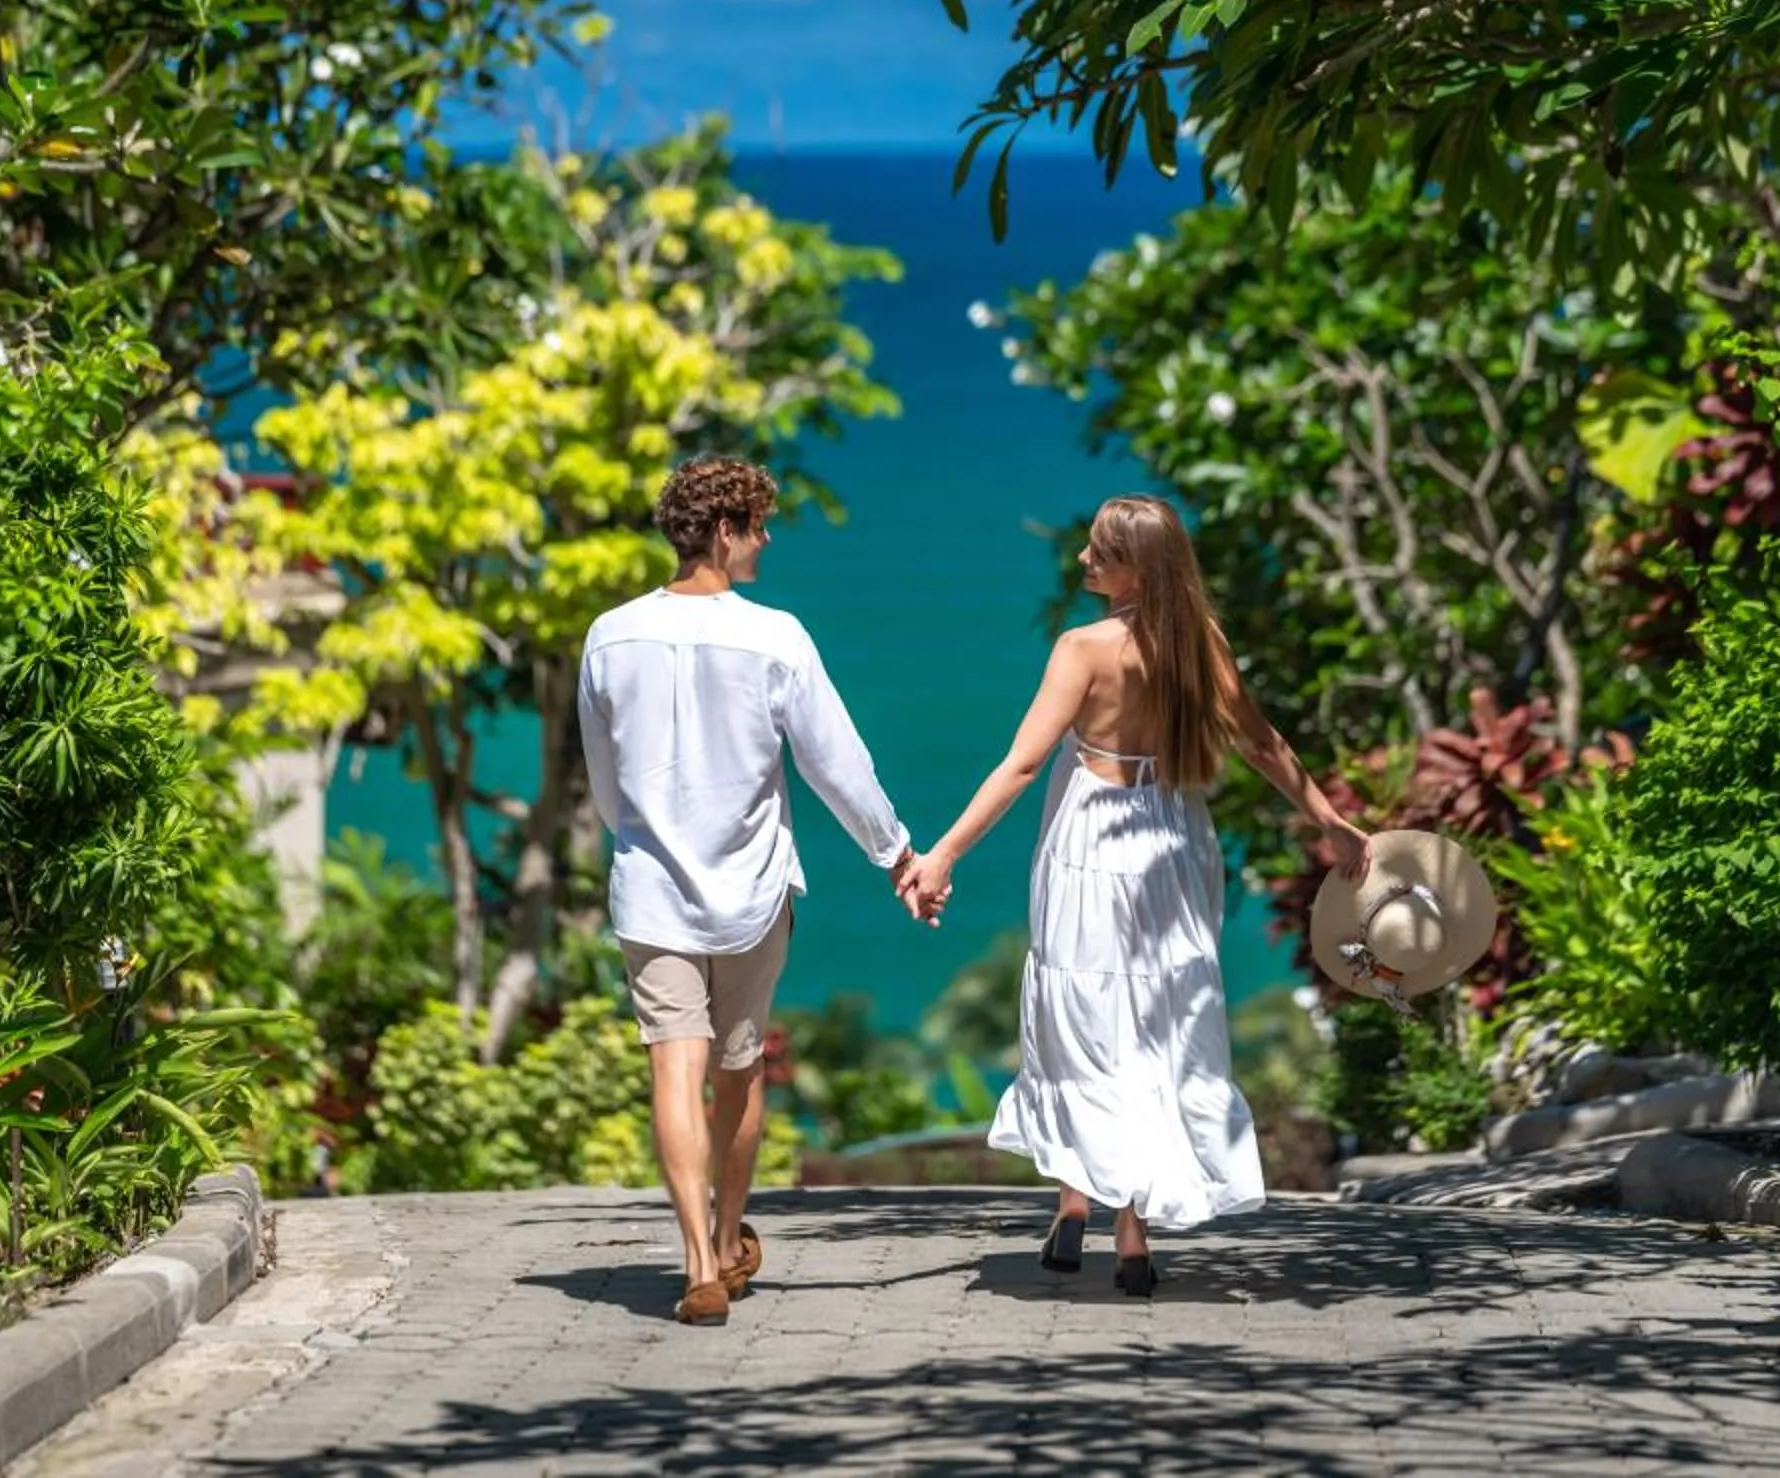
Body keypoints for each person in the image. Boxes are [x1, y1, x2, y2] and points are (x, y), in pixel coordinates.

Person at [896, 493, 1368, 1294]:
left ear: (1137, 569)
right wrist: (1331, 823)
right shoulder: (1200, 642)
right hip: (1173, 838)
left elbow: (1021, 765)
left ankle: (1078, 1204)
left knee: (1081, 1015)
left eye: (1099, 552)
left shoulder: (1083, 648)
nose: (1083, 559)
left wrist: (942, 854)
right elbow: (1262, 745)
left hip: (1090, 839)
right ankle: (1124, 1231)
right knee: (1156, 1020)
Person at [579, 453, 918, 1326]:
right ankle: (729, 1242)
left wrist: (640, 838)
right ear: (725, 531)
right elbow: (837, 764)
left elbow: (604, 780)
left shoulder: (610, 634)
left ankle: (698, 1263)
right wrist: (895, 855)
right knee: (738, 1066)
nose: (766, 542)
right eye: (759, 527)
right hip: (751, 893)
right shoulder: (776, 637)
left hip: (651, 889)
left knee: (673, 1065)